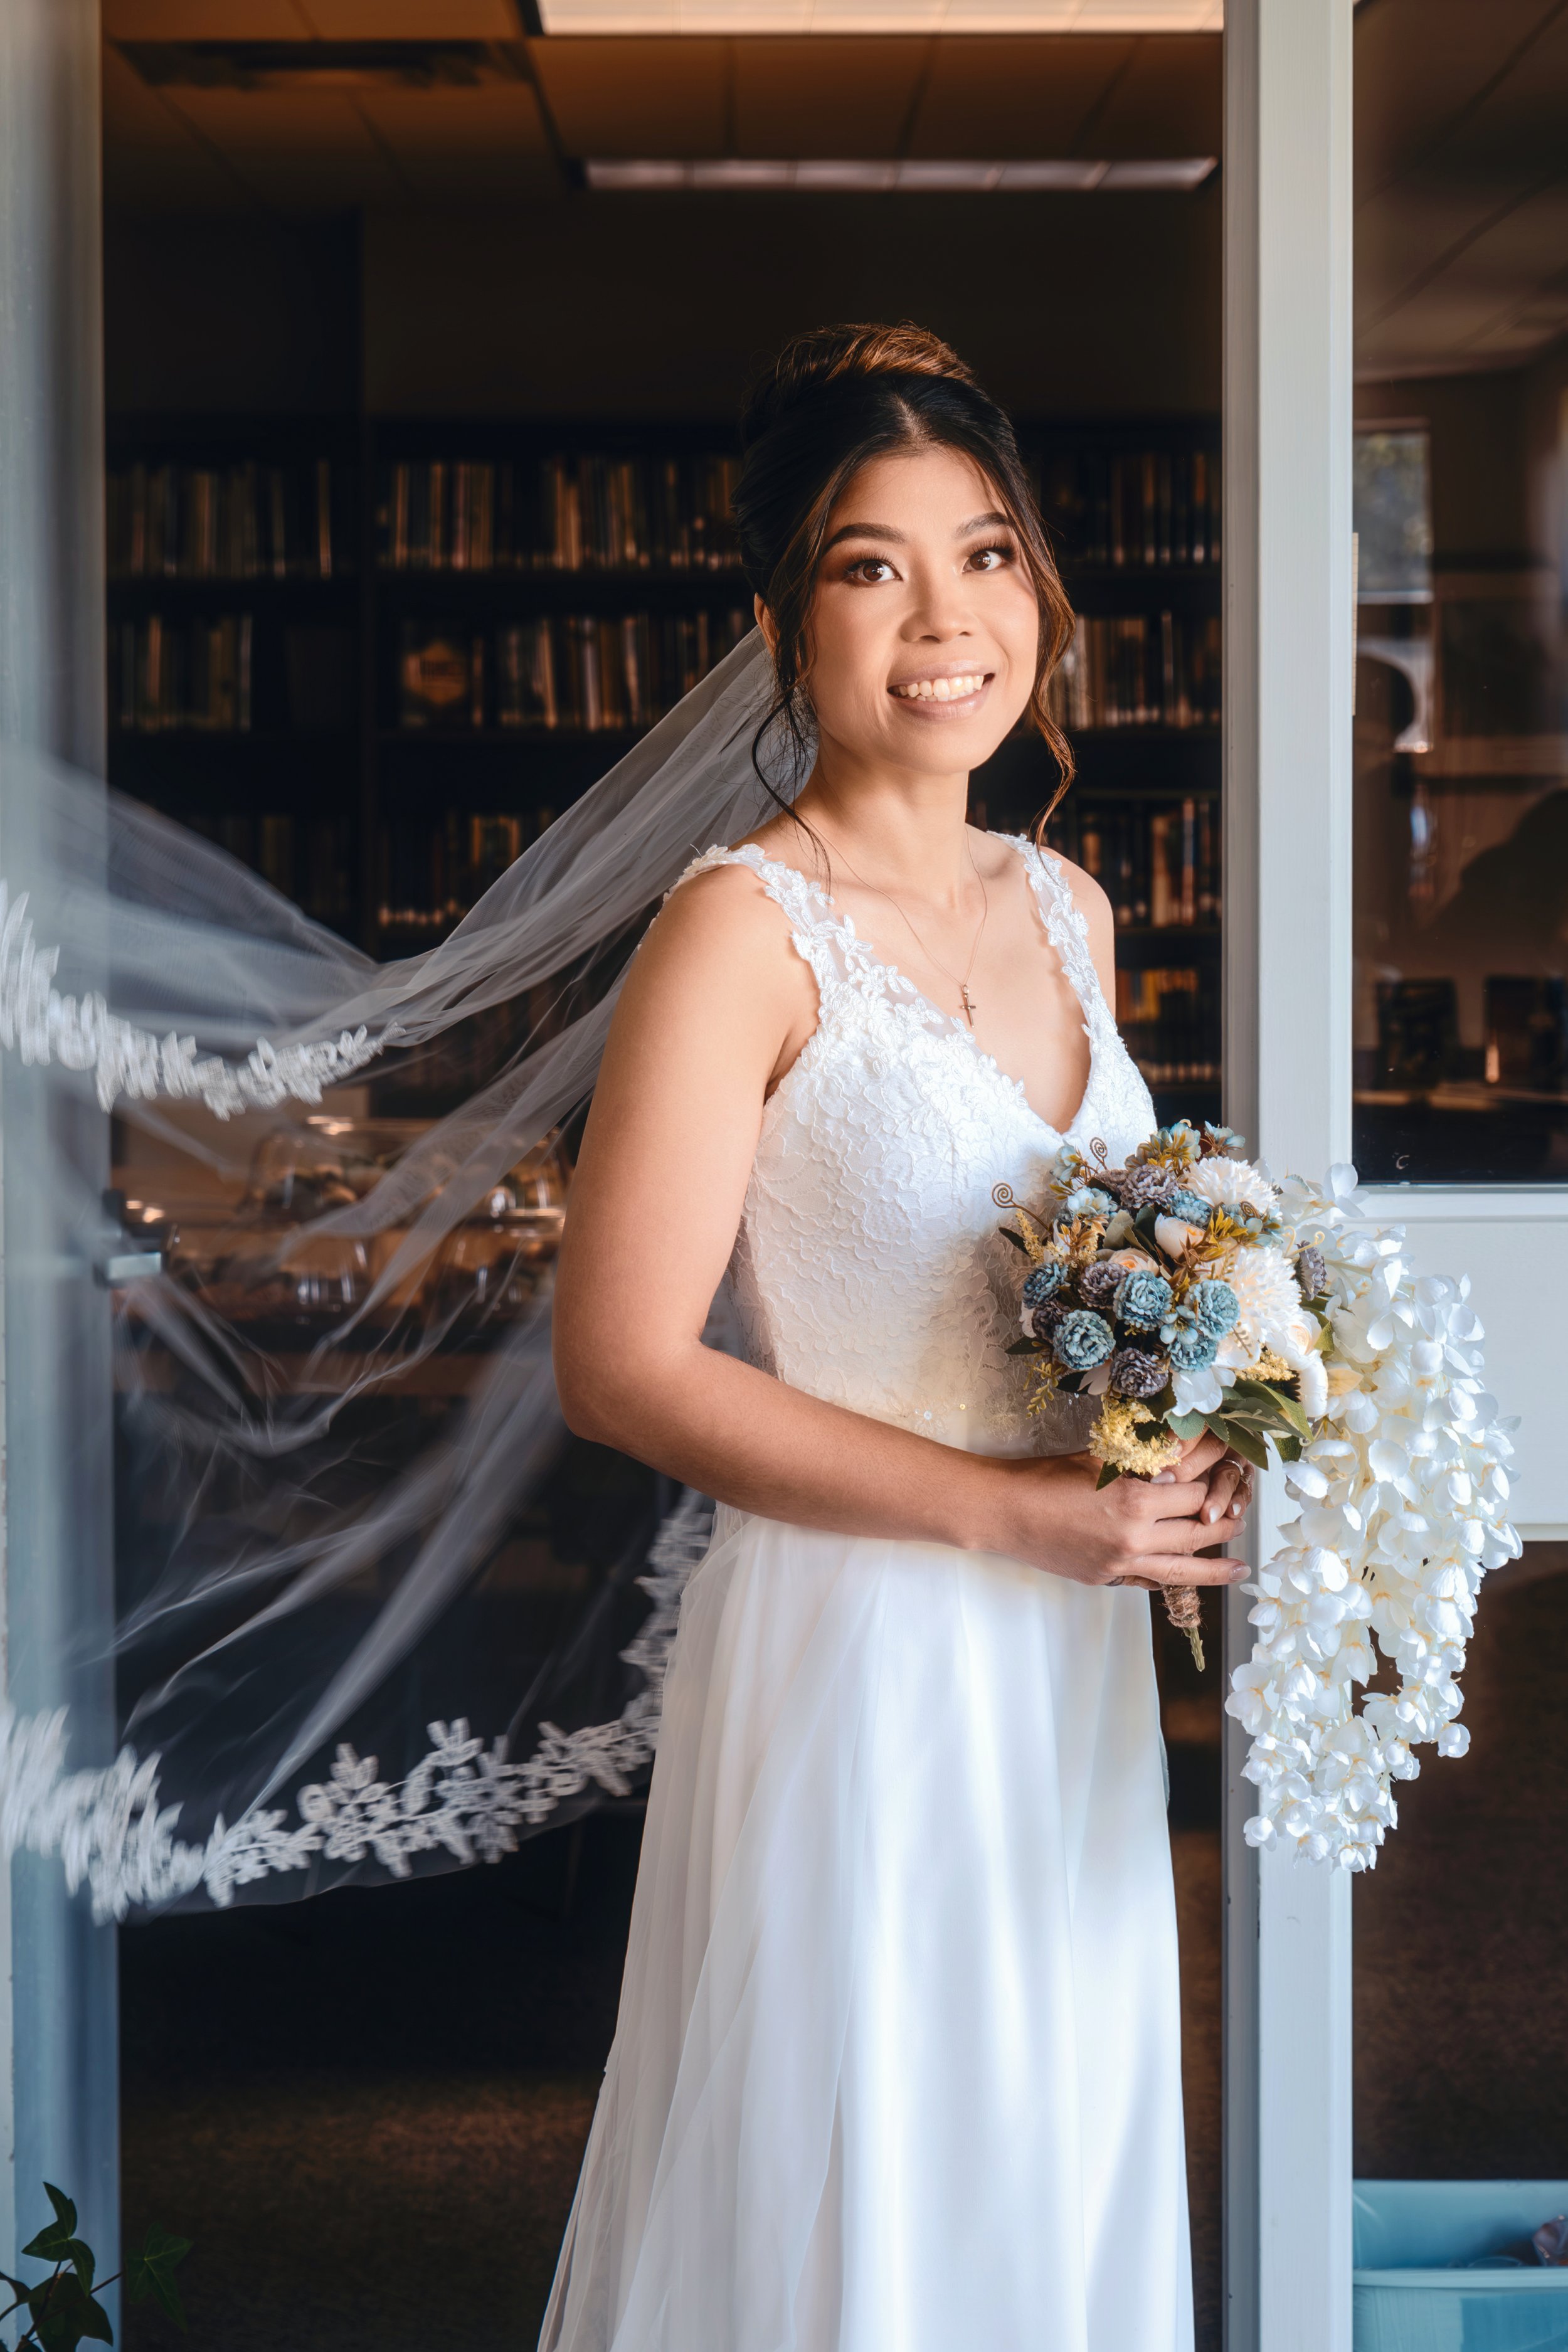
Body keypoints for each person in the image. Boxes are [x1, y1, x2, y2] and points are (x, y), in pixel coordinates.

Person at [543, 324, 1251, 2352]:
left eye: (987, 553)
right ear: (780, 621)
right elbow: (625, 1366)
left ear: (1039, 585)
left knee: (1045, 2146)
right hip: (863, 1646)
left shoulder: (1072, 906)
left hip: (1065, 1655)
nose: (944, 619)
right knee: (872, 2194)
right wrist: (1006, 1516)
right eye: (871, 566)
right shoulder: (736, 931)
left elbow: (1103, 1271)